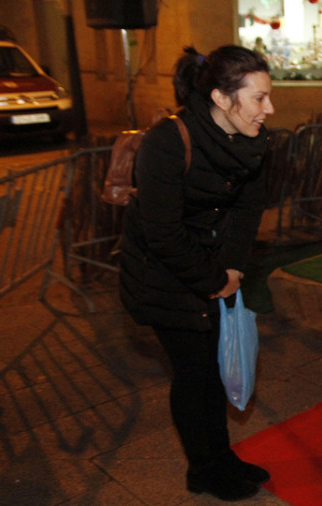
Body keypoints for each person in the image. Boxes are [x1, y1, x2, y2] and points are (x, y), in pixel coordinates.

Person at [119, 45, 275, 502]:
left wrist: (230, 268)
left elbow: (248, 209)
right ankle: (202, 468)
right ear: (221, 99)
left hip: (212, 266)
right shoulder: (166, 141)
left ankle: (221, 457)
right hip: (163, 275)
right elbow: (162, 233)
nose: (269, 108)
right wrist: (213, 281)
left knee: (213, 366)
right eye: (259, 97)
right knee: (195, 372)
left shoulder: (255, 139)